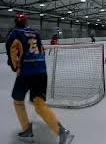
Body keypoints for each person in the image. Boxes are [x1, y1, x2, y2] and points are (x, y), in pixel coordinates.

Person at [5, 13, 74, 144]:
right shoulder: (35, 33)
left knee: (18, 101)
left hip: (26, 73)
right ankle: (62, 132)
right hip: (41, 72)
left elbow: (12, 52)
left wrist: (15, 67)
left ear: (16, 22)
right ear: (26, 22)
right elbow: (41, 50)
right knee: (39, 104)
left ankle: (27, 131)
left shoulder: (15, 34)